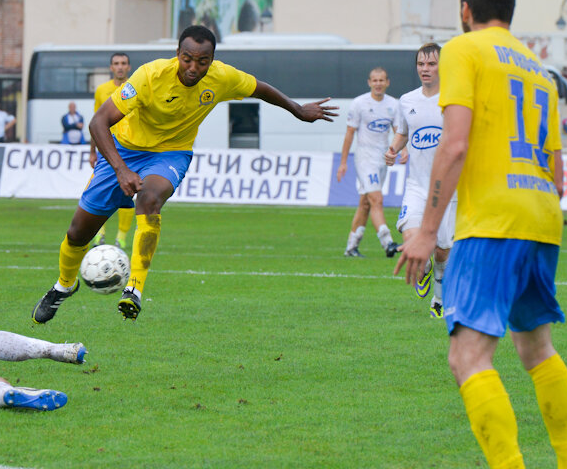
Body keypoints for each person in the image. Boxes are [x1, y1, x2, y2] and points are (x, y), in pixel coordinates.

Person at [396, 0, 567, 469]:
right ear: (511, 8)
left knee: (468, 356)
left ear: (465, 8)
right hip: (542, 216)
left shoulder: (464, 50)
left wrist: (428, 229)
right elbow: (557, 168)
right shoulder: (536, 67)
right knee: (537, 348)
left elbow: (453, 145)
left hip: (494, 221)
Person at [31, 25, 338, 322]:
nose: (194, 67)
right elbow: (99, 122)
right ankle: (64, 286)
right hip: (125, 151)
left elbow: (260, 89)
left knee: (149, 199)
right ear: (177, 53)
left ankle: (134, 289)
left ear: (212, 60)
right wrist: (120, 169)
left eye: (203, 62)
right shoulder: (150, 76)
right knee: (78, 233)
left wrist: (297, 109)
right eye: (188, 59)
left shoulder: (222, 77)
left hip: (171, 153)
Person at [384, 43, 455, 318]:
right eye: (421, 64)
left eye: (431, 64)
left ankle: (438, 298)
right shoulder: (407, 100)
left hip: (449, 189)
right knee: (412, 238)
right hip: (417, 185)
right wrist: (393, 150)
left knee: (442, 250)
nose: (425, 69)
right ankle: (422, 268)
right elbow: (403, 132)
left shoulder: (453, 100)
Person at [336, 67, 401, 258]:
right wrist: (343, 162)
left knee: (365, 203)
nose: (378, 84)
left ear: (387, 82)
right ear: (369, 82)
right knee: (376, 199)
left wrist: (402, 149)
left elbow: (399, 130)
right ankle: (387, 241)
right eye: (375, 80)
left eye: (382, 80)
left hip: (383, 159)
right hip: (365, 158)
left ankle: (351, 247)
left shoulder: (394, 105)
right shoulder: (360, 103)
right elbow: (350, 133)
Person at [91, 52, 135, 250]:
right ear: (111, 68)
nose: (119, 67)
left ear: (129, 67)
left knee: (127, 193)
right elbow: (96, 120)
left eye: (123, 63)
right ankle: (99, 232)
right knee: (98, 190)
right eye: (116, 63)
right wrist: (92, 151)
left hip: (130, 148)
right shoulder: (102, 90)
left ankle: (121, 237)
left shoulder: (134, 88)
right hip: (107, 148)